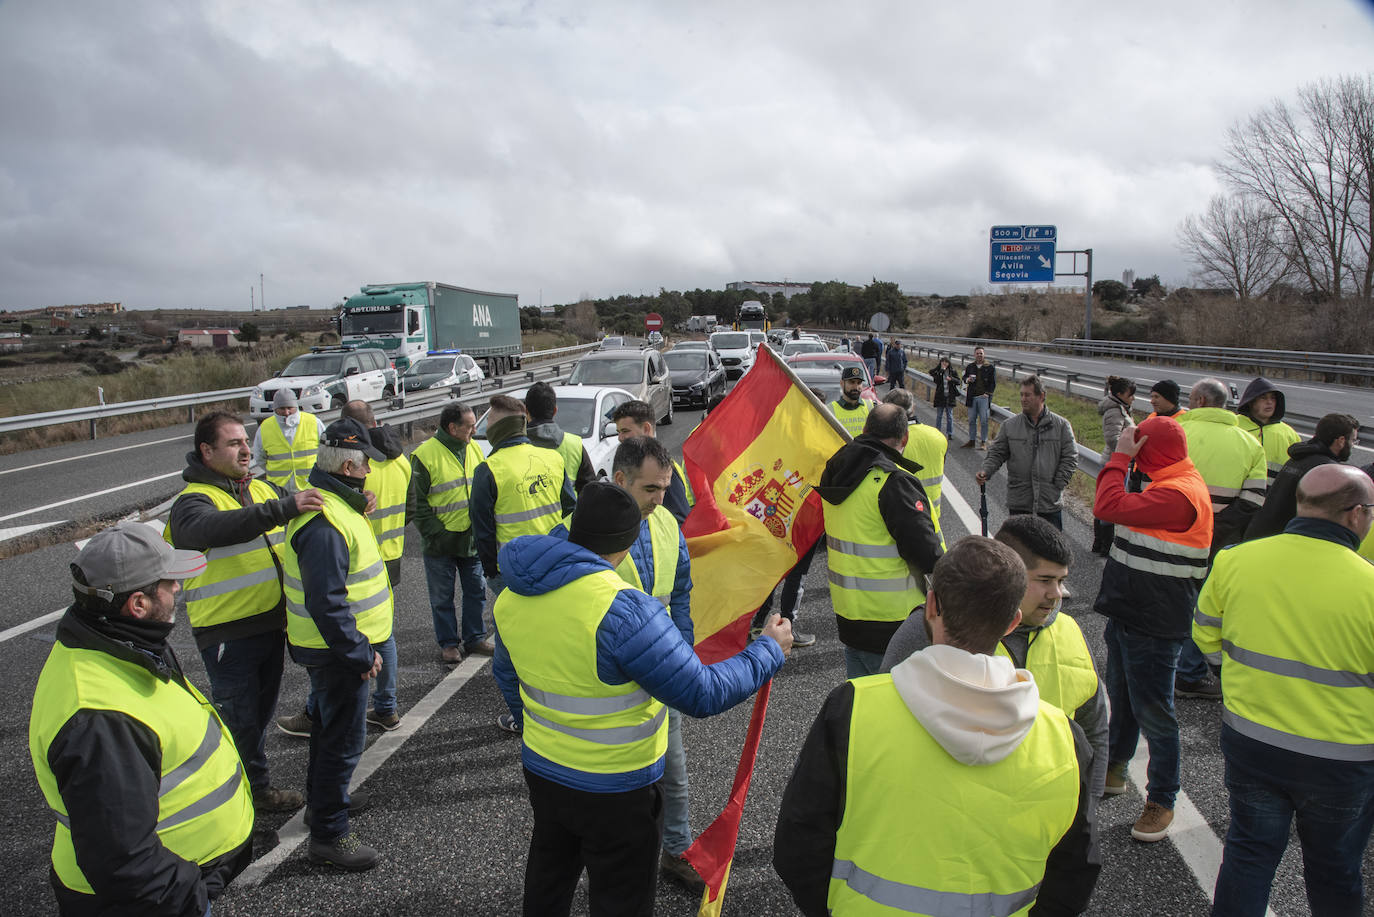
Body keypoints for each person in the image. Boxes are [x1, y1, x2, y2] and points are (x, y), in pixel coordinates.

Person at [491, 481, 792, 916]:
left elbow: (507, 676)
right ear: (628, 544)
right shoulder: (623, 611)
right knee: (622, 898)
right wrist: (767, 649)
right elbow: (702, 693)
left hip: (544, 770)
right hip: (618, 788)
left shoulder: (514, 594)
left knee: (549, 875)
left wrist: (543, 730)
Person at [774, 537, 1090, 917]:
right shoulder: (1064, 739)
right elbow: (1074, 872)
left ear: (932, 605)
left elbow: (798, 842)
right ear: (1012, 623)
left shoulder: (852, 707)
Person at [30, 522, 254, 915]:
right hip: (157, 902)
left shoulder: (119, 643)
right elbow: (124, 863)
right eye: (169, 583)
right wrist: (191, 897)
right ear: (138, 604)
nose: (178, 589)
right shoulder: (101, 718)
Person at [1196, 464, 1374, 916]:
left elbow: (1205, 637)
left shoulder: (1236, 560)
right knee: (1334, 870)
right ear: (1356, 514)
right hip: (1342, 761)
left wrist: (1237, 683)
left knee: (1248, 855)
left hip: (1252, 741)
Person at [165, 410, 314, 812]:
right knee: (239, 720)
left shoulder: (261, 490)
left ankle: (246, 787)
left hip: (268, 623)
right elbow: (208, 530)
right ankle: (247, 795)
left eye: (246, 442)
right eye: (234, 443)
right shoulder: (192, 501)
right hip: (227, 631)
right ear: (206, 451)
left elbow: (299, 510)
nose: (246, 449)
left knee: (258, 715)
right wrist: (282, 509)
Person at [1091, 416, 1212, 843]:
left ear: (1148, 451)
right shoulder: (1165, 480)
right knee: (1122, 697)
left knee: (1156, 714)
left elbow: (1105, 507)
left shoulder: (1179, 495)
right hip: (1130, 609)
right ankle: (1117, 767)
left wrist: (1121, 457)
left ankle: (1162, 796)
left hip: (1155, 623)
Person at [283, 417, 391, 871]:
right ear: (348, 465)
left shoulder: (335, 505)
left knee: (330, 733)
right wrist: (359, 653)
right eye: (365, 464)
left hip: (335, 647)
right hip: (337, 651)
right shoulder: (325, 523)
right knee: (342, 740)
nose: (370, 471)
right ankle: (329, 834)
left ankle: (325, 803)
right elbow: (327, 601)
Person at [610, 437, 702, 892]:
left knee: (675, 774)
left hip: (661, 670)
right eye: (650, 489)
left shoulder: (666, 522)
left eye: (665, 487)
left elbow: (680, 590)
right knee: (619, 786)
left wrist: (682, 647)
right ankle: (620, 861)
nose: (660, 499)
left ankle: (677, 851)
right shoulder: (583, 528)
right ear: (619, 480)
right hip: (610, 683)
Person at [818, 403, 943, 677]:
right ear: (905, 438)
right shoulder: (892, 482)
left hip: (850, 617)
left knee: (865, 707)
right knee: (899, 710)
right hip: (895, 622)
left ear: (864, 430)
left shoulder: (836, 475)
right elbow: (926, 553)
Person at [342, 400, 413, 731]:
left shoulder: (357, 462)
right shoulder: (401, 461)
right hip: (392, 553)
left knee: (346, 629)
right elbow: (410, 506)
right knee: (383, 631)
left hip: (360, 559)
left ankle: (326, 709)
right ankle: (386, 705)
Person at [471, 394, 576, 596]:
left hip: (513, 568)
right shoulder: (553, 458)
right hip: (554, 559)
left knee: (514, 624)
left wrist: (490, 570)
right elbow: (571, 510)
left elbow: (482, 529)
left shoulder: (489, 469)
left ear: (497, 430)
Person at [411, 403, 491, 664]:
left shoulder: (474, 448)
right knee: (442, 597)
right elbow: (417, 504)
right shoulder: (424, 455)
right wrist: (438, 533)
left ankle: (474, 637)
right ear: (452, 428)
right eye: (469, 425)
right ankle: (448, 644)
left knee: (476, 590)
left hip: (471, 539)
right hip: (440, 543)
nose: (474, 429)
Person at [977, 375, 1078, 530]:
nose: (1023, 399)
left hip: (1048, 502)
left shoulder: (1061, 426)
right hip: (1020, 500)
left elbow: (1070, 458)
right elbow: (997, 453)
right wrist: (986, 471)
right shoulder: (1010, 426)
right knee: (1019, 551)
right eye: (1021, 395)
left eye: (1028, 395)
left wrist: (1057, 484)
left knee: (1050, 552)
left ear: (1041, 396)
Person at [1244, 413, 1359, 542]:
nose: (1353, 445)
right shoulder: (1326, 471)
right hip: (1285, 542)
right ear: (1341, 441)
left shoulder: (1297, 459)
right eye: (1353, 440)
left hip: (1259, 534)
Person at [883, 388, 948, 547]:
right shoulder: (937, 435)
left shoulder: (892, 442)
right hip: (932, 513)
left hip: (903, 514)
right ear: (913, 408)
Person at [610, 399, 693, 522]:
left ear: (646, 429)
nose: (620, 438)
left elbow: (680, 519)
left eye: (625, 431)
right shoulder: (640, 461)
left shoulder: (659, 469)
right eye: (619, 432)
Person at [525, 381, 596, 495]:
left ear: (526, 411)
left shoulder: (513, 448)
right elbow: (590, 492)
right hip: (569, 513)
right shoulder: (575, 445)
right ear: (555, 411)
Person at [1093, 376, 1136, 555]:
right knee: (1109, 505)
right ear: (1119, 394)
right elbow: (1113, 438)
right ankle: (1105, 546)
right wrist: (1129, 451)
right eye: (1130, 394)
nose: (1133, 398)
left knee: (1105, 504)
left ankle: (1100, 543)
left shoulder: (1120, 408)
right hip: (1115, 463)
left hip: (1114, 462)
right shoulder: (1115, 411)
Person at [252, 388, 321, 493]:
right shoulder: (265, 427)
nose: (287, 412)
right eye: (282, 408)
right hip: (278, 490)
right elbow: (259, 458)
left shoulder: (313, 422)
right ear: (275, 408)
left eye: (290, 408)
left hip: (310, 487)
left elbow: (325, 451)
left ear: (296, 406)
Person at [1235, 377, 1302, 478]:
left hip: (1276, 492)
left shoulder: (1288, 434)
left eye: (1273, 398)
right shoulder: (1235, 427)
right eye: (1263, 397)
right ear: (1251, 402)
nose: (1269, 402)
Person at [961, 345, 997, 449]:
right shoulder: (970, 367)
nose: (979, 355)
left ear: (984, 354)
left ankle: (983, 442)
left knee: (984, 420)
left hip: (983, 398)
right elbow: (964, 377)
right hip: (972, 397)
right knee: (972, 420)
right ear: (974, 355)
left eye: (981, 353)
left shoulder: (990, 367)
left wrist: (987, 393)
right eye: (977, 353)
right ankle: (972, 440)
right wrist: (967, 380)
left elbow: (993, 383)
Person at [827, 365, 872, 437]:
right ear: (842, 383)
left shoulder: (871, 406)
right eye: (852, 382)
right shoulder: (829, 410)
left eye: (859, 383)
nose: (856, 387)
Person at [929, 354, 961, 439]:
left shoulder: (952, 371)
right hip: (940, 397)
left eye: (946, 362)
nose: (944, 363)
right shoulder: (938, 371)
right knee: (939, 415)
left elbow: (958, 381)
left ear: (949, 363)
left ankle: (950, 433)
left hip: (949, 397)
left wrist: (952, 379)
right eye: (943, 362)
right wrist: (941, 371)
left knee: (949, 416)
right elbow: (936, 380)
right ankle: (938, 432)